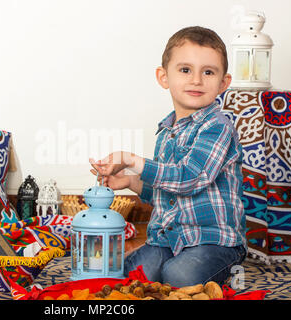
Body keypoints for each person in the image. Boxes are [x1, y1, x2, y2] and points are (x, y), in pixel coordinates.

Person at [90, 26, 247, 287]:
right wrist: (130, 182)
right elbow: (167, 192)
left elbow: (191, 178)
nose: (196, 80)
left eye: (208, 72)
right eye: (185, 70)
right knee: (128, 275)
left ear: (223, 83)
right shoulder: (166, 132)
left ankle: (226, 271)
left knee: (179, 275)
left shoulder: (218, 126)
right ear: (163, 77)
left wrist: (132, 160)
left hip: (214, 241)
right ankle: (163, 266)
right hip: (169, 238)